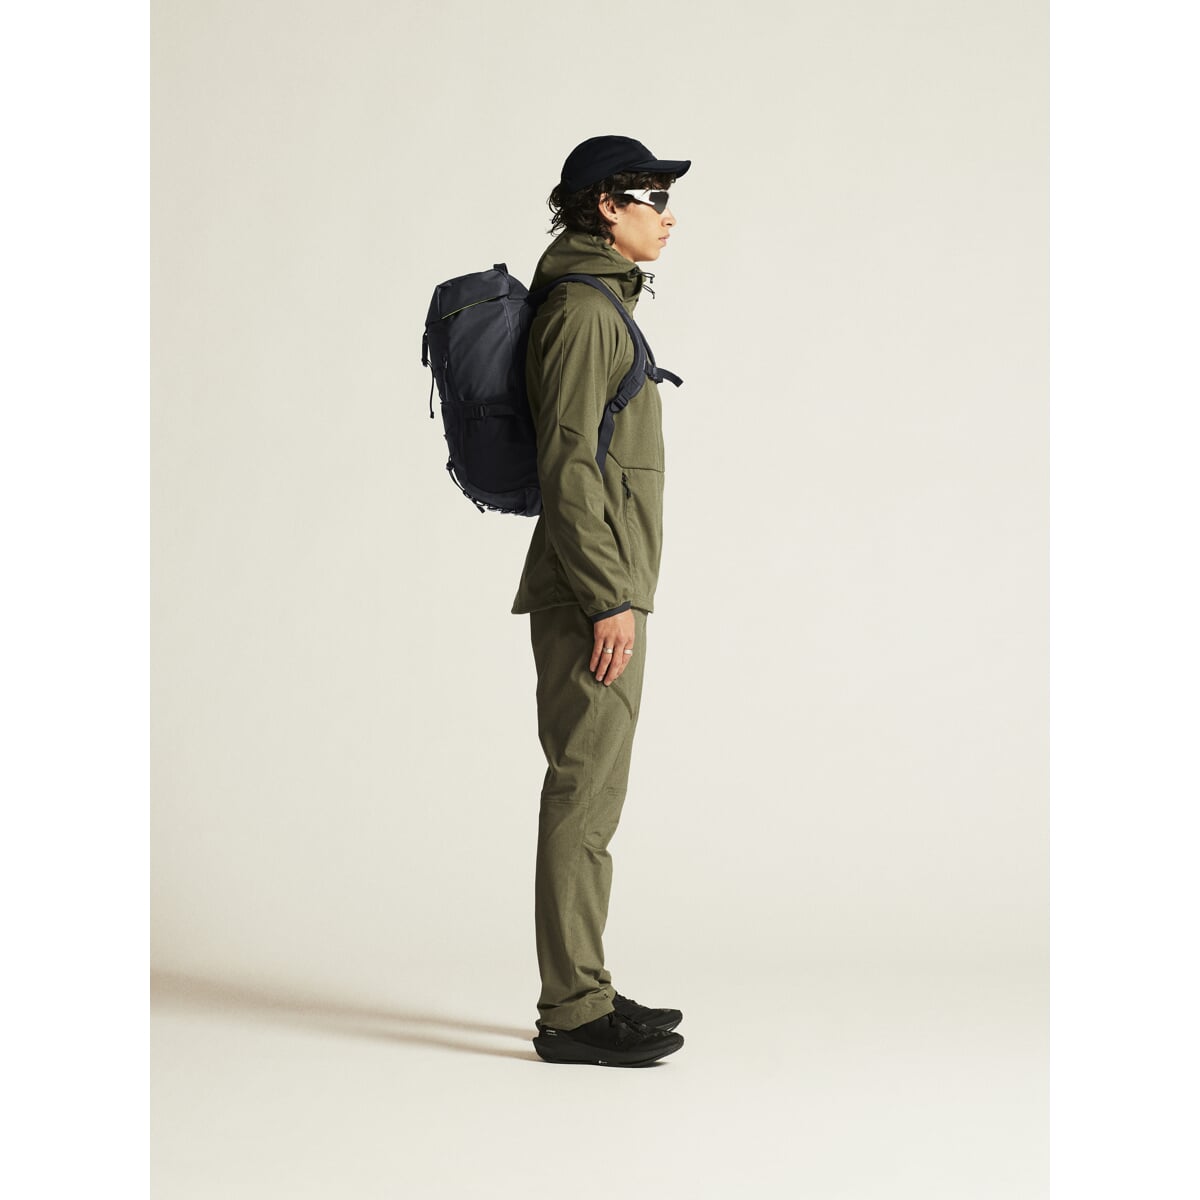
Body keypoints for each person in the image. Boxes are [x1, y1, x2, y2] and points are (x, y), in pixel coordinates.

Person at [512, 135, 691, 1067]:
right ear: (606, 207)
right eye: (652, 197)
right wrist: (608, 595)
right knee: (582, 793)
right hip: (595, 590)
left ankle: (586, 987)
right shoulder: (584, 311)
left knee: (595, 794)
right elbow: (568, 463)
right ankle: (574, 1013)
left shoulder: (601, 303)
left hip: (605, 583)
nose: (669, 216)